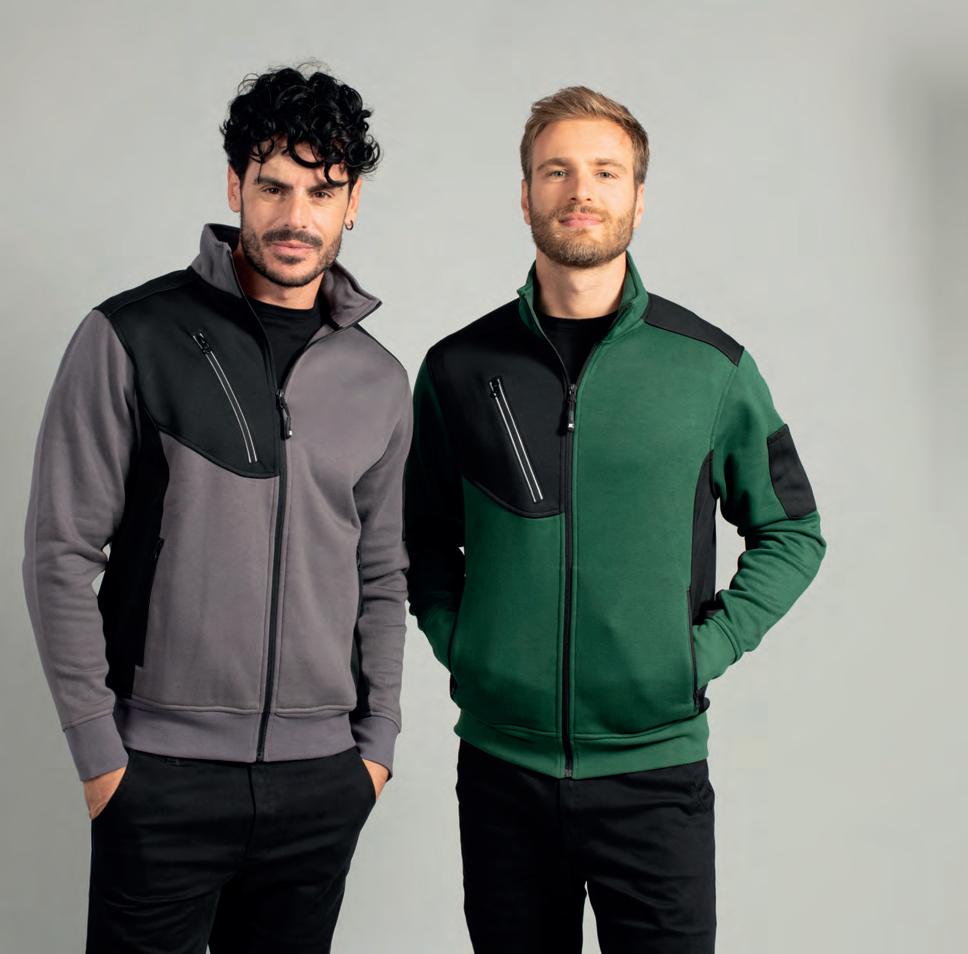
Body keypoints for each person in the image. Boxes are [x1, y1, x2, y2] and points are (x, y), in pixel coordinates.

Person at [405, 85, 826, 953]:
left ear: (639, 196)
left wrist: (698, 653)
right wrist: (465, 644)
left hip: (654, 776)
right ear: (525, 194)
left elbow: (792, 531)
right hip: (502, 771)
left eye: (605, 171)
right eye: (556, 170)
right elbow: (416, 537)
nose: (580, 191)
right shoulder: (457, 368)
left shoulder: (709, 369)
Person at [22, 65, 410, 952]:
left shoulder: (379, 379)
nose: (296, 216)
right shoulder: (131, 335)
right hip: (159, 773)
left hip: (321, 781)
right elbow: (59, 553)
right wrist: (101, 755)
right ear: (235, 186)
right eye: (273, 186)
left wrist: (375, 745)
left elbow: (383, 574)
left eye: (322, 191)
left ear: (352, 203)